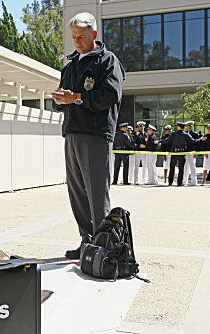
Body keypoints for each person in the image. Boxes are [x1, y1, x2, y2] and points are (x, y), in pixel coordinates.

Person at [51, 12, 125, 259]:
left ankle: (103, 246)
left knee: (96, 194)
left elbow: (110, 95)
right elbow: (64, 101)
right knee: (78, 194)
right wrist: (61, 101)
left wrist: (78, 98)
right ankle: (87, 242)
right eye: (73, 37)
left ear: (94, 34)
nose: (77, 41)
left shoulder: (108, 61)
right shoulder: (70, 66)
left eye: (81, 36)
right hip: (72, 133)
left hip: (95, 134)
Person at [159, 122, 206, 186]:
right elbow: (194, 141)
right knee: (181, 169)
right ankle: (179, 182)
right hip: (182, 153)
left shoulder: (174, 134)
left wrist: (159, 141)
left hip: (174, 153)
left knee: (172, 167)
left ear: (178, 127)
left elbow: (167, 140)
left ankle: (170, 182)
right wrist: (200, 139)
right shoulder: (185, 134)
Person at [183, 121, 200, 185]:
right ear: (186, 126)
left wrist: (196, 152)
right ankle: (185, 181)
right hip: (186, 152)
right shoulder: (184, 133)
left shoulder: (195, 134)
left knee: (192, 167)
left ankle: (193, 181)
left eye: (191, 126)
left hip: (192, 151)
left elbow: (197, 143)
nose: (189, 127)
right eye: (188, 126)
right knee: (185, 167)